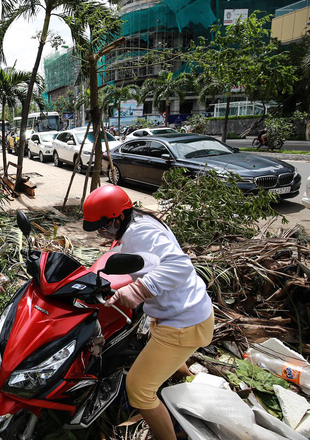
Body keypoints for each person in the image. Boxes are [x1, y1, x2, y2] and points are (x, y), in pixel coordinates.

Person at [82, 185, 214, 440]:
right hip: (183, 313)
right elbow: (142, 257)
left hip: (184, 323)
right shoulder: (138, 221)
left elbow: (180, 265)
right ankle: (187, 379)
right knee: (159, 352)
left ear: (118, 218)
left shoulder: (140, 232)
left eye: (103, 226)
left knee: (138, 389)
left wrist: (141, 289)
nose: (102, 231)